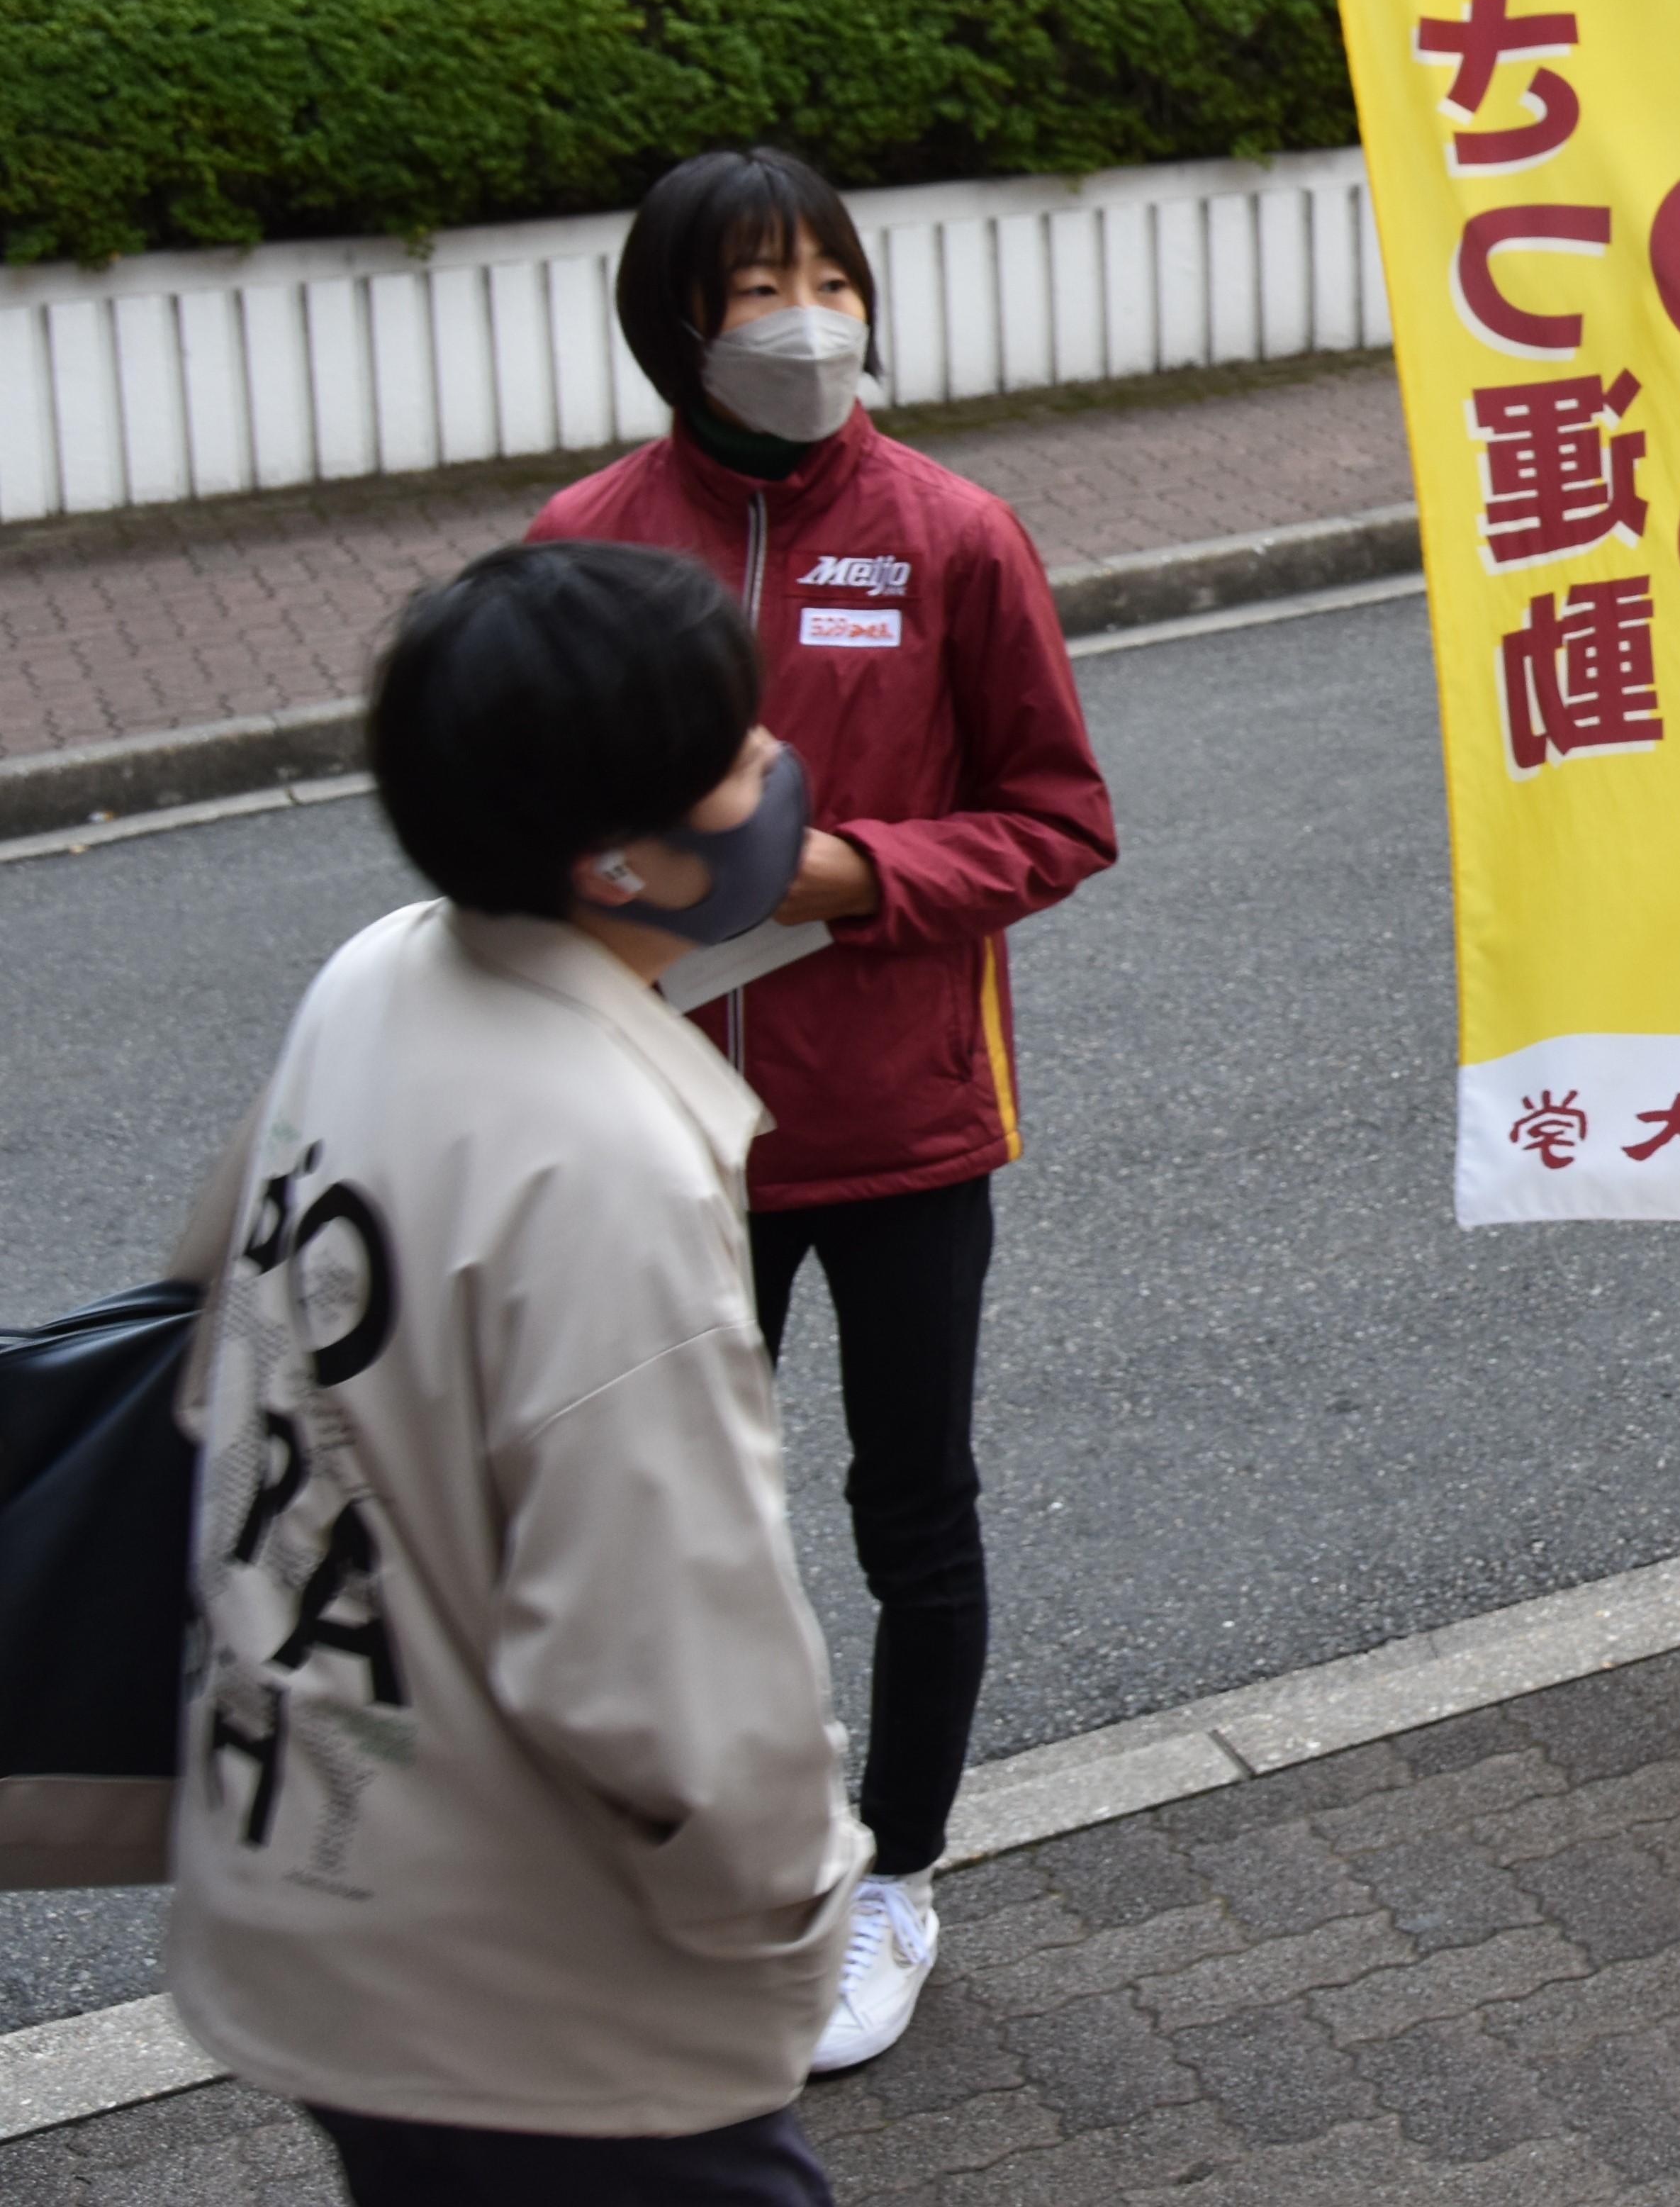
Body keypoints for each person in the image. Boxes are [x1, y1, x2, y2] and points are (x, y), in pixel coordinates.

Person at [167, 540, 866, 2207]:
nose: (777, 769)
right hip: (535, 1995)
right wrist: (792, 1906)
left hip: (316, 1877)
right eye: (739, 748)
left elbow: (210, 1333)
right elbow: (665, 1665)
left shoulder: (376, 975)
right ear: (622, 856)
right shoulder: (605, 1156)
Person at [529, 147, 1117, 2076]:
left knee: (910, 1510)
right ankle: (699, 1867)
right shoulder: (588, 546)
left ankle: (900, 1877)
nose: (804, 318)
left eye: (829, 276)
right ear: (677, 321)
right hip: (652, 1126)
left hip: (904, 1125)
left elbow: (1058, 818)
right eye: (758, 282)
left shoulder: (954, 533)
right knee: (665, 1520)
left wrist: (849, 876)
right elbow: (516, 826)